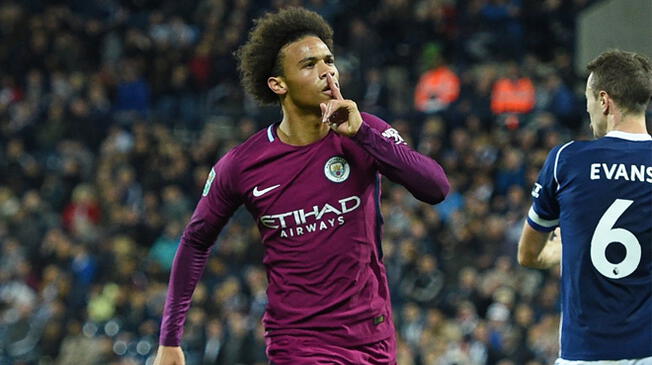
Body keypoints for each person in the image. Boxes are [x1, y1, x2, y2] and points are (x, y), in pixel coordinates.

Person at [153, 7, 449, 365]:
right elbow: (195, 241)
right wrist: (170, 339)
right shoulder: (243, 165)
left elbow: (436, 188)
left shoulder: (363, 132)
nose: (327, 72)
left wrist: (363, 134)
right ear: (279, 84)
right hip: (299, 344)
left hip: (374, 337)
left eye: (329, 60)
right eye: (309, 65)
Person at [518, 49, 652, 364]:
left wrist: (557, 251)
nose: (588, 109)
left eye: (588, 99)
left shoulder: (566, 160)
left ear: (604, 101)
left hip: (585, 354)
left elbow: (528, 254)